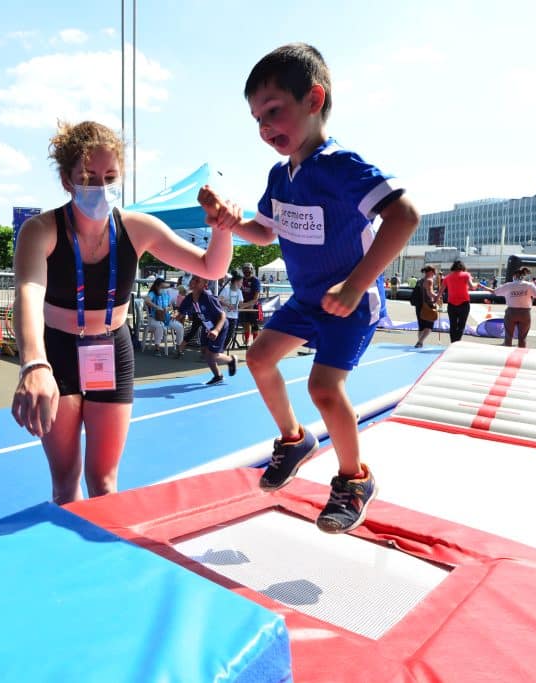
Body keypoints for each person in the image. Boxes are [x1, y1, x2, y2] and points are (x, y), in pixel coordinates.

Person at [227, 43, 420, 533]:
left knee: (324, 388)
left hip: (349, 304)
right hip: (307, 300)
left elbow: (404, 215)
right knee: (258, 357)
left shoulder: (340, 166)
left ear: (314, 99)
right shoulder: (279, 175)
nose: (265, 127)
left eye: (274, 111)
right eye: (257, 119)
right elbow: (266, 231)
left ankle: (354, 479)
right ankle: (294, 440)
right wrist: (230, 222)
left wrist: (357, 284)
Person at [10, 120, 238, 504]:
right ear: (67, 180)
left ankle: (103, 554)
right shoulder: (41, 230)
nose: (100, 187)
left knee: (104, 482)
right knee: (66, 481)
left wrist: (222, 228)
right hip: (57, 352)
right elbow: (29, 291)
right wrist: (34, 364)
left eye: (110, 176)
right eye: (87, 177)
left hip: (110, 351)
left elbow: (211, 268)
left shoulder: (137, 227)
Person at [178, 274, 238, 385]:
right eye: (193, 279)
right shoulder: (189, 298)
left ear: (204, 285)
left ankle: (231, 360)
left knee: (212, 355)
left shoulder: (208, 298)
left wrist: (216, 330)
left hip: (219, 326)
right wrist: (176, 317)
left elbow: (223, 315)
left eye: (197, 280)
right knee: (205, 352)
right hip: (207, 327)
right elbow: (181, 312)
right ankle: (218, 376)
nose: (193, 281)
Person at [492, 267, 536, 348]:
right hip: (525, 313)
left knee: (508, 337)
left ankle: (506, 356)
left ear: (514, 276)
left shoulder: (508, 285)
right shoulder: (529, 285)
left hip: (511, 312)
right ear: (523, 276)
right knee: (522, 338)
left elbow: (494, 292)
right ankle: (521, 357)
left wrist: (483, 287)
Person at [439, 260, 490, 343]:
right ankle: (457, 342)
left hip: (451, 304)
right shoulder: (466, 275)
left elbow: (441, 291)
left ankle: (453, 342)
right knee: (461, 325)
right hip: (463, 303)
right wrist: (477, 284)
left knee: (453, 325)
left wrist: (436, 299)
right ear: (462, 267)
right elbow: (472, 287)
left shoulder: (447, 277)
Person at [144, 277, 185, 356]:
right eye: (162, 287)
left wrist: (169, 309)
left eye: (164, 287)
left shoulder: (166, 294)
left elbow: (171, 307)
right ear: (157, 286)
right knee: (160, 326)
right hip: (154, 319)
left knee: (179, 326)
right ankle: (157, 348)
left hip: (167, 319)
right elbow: (147, 300)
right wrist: (156, 307)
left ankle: (179, 348)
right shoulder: (152, 293)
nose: (163, 289)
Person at [411, 265, 439, 348]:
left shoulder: (420, 281)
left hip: (419, 305)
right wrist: (437, 296)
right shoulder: (429, 280)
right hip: (428, 305)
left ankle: (420, 342)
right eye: (434, 272)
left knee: (421, 326)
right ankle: (419, 342)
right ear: (430, 272)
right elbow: (429, 293)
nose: (435, 274)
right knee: (429, 326)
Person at [238, 262, 263, 346]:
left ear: (252, 270)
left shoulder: (255, 281)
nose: (247, 271)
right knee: (245, 323)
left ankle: (255, 343)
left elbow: (256, 299)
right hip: (243, 306)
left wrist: (245, 305)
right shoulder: (242, 280)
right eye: (245, 270)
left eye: (248, 269)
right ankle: (247, 341)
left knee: (254, 326)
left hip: (254, 306)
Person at [219, 271, 245, 349]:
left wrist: (252, 302)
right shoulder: (226, 290)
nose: (241, 284)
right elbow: (219, 300)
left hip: (234, 317)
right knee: (222, 334)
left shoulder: (239, 292)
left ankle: (221, 350)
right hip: (225, 316)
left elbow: (241, 304)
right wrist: (227, 305)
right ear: (236, 282)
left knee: (229, 335)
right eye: (241, 282)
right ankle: (218, 350)